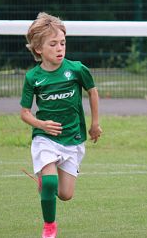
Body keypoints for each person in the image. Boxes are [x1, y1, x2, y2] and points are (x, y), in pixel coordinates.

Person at [20, 12, 102, 238]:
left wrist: (95, 123)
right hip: (45, 137)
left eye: (63, 43)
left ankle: (47, 184)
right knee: (49, 182)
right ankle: (49, 227)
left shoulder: (76, 69)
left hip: (73, 138)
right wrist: (41, 125)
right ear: (38, 49)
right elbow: (25, 113)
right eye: (53, 44)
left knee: (65, 194)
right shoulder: (33, 77)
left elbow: (92, 91)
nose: (60, 48)